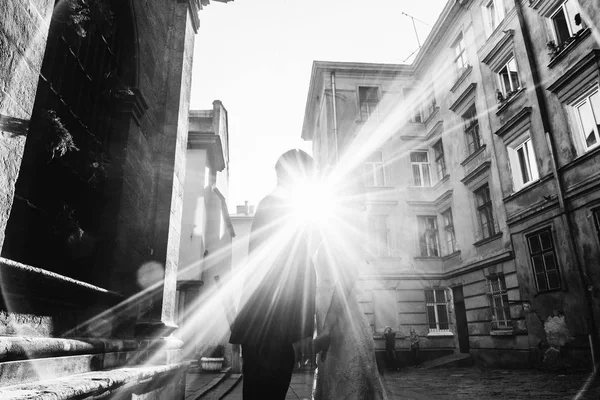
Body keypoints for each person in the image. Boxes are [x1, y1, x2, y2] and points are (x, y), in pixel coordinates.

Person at [229, 149, 317, 400]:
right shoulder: (289, 209)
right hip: (276, 330)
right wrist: (302, 330)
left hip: (262, 328)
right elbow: (299, 270)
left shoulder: (270, 205)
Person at [311, 180, 388, 400]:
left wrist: (327, 326)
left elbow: (345, 279)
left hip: (341, 320)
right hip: (327, 314)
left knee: (347, 384)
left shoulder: (351, 233)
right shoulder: (331, 231)